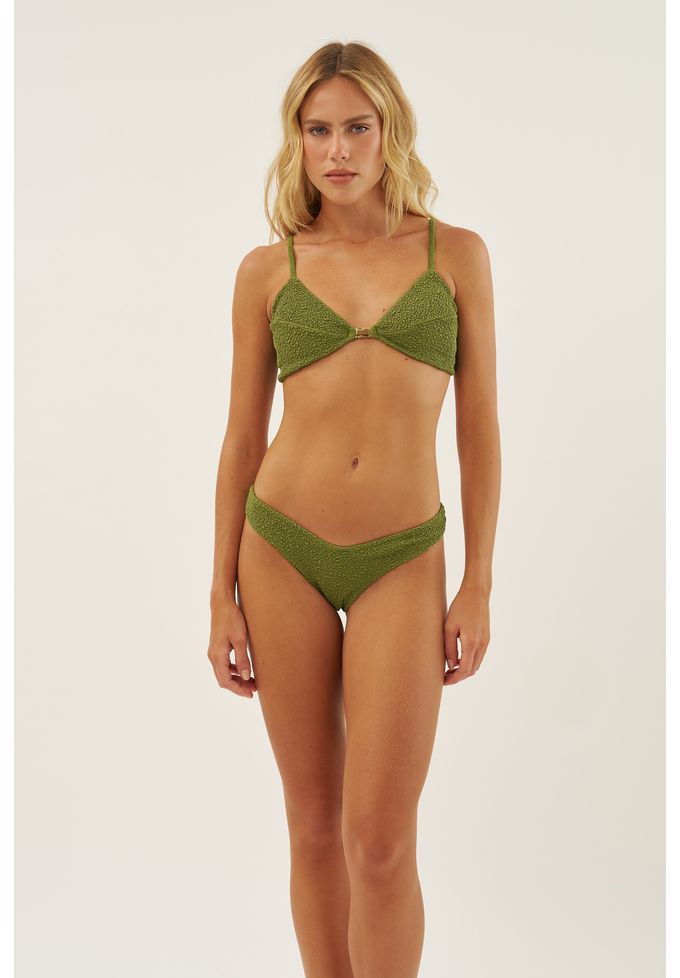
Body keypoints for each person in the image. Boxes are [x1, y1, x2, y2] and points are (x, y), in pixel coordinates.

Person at [207, 40, 501, 978]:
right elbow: (241, 440)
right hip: (280, 549)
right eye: (318, 129)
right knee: (312, 826)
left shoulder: (456, 256)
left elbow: (480, 431)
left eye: (357, 128)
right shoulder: (268, 270)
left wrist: (478, 583)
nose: (338, 150)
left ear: (390, 131)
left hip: (404, 556)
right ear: (296, 140)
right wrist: (219, 596)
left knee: (379, 840)